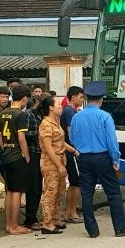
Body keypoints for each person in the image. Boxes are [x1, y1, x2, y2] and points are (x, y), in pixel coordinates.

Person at [70, 81, 125, 238]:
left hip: (84, 158)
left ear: (86, 98)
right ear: (101, 99)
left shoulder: (77, 117)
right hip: (102, 157)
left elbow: (72, 139)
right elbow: (111, 141)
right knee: (113, 193)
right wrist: (115, 159)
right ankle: (120, 228)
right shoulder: (105, 116)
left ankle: (92, 230)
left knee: (87, 193)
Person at [38, 96, 77, 234]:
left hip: (60, 158)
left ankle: (56, 218)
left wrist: (73, 151)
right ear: (51, 107)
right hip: (51, 162)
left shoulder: (56, 122)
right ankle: (47, 222)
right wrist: (59, 166)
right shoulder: (46, 124)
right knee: (51, 191)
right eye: (59, 104)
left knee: (60, 190)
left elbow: (60, 142)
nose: (61, 106)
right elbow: (48, 148)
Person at [0, 84, 32, 235]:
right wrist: (27, 155)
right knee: (17, 191)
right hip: (17, 156)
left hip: (6, 155)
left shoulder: (3, 113)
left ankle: (8, 224)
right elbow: (21, 138)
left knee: (9, 191)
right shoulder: (20, 114)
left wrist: (5, 148)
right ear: (24, 98)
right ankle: (14, 225)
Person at [61, 86, 84, 224]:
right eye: (81, 97)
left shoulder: (71, 111)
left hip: (70, 151)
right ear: (73, 97)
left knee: (74, 183)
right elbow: (71, 133)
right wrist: (76, 149)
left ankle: (70, 211)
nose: (82, 100)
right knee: (77, 183)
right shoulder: (69, 112)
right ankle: (72, 212)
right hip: (72, 151)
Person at [22, 96, 43, 231]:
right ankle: (30, 219)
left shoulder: (40, 116)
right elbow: (26, 135)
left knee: (38, 187)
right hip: (32, 153)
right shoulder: (28, 115)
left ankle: (33, 216)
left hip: (40, 153)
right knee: (33, 188)